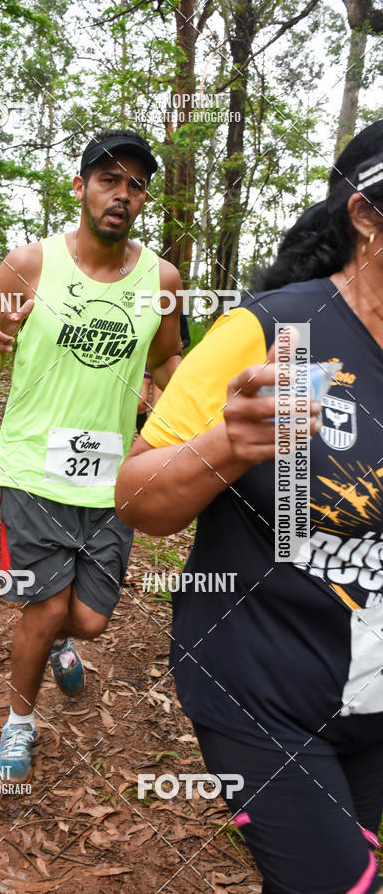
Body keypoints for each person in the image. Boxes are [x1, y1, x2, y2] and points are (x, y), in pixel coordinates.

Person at [116, 120, 383, 893]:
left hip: (369, 692)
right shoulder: (273, 332)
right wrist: (225, 446)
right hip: (258, 688)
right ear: (366, 215)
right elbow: (136, 495)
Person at [0, 129, 183, 781]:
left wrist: (199, 414)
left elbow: (167, 358)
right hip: (35, 466)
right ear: (80, 186)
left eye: (135, 184)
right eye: (108, 179)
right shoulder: (27, 264)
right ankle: (19, 721)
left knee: (87, 619)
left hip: (110, 476)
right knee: (47, 606)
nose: (122, 194)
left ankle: (61, 638)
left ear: (144, 199)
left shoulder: (162, 278)